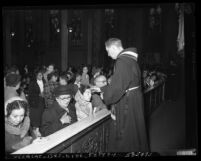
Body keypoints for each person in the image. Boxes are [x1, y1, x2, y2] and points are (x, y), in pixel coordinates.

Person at [98, 38, 149, 152]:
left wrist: (105, 95)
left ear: (114, 47)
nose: (108, 54)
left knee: (126, 135)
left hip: (127, 103)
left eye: (108, 51)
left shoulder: (122, 61)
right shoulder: (131, 59)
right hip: (134, 99)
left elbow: (117, 88)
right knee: (135, 133)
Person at [28, 68, 45, 138]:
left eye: (42, 75)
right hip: (35, 102)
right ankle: (35, 131)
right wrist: (38, 94)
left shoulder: (44, 82)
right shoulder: (33, 83)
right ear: (36, 76)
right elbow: (30, 93)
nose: (41, 76)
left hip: (42, 101)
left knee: (41, 115)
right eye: (39, 75)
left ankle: (38, 129)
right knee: (36, 117)